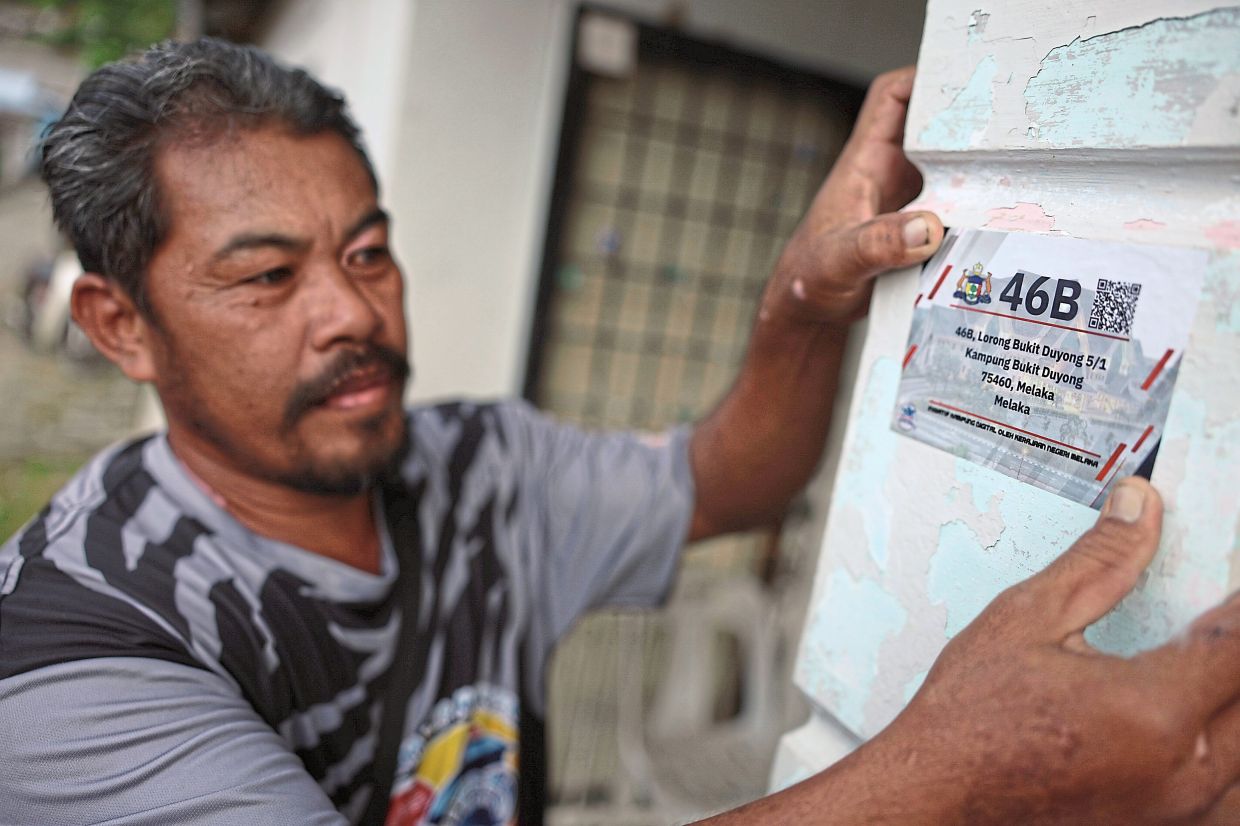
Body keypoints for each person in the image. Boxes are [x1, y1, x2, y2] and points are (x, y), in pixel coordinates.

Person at [1, 37, 1238, 826]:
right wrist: (944, 776)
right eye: (267, 277)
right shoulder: (74, 651)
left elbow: (731, 479)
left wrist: (803, 301)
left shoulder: (477, 468)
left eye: (367, 252)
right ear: (121, 326)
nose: (352, 313)